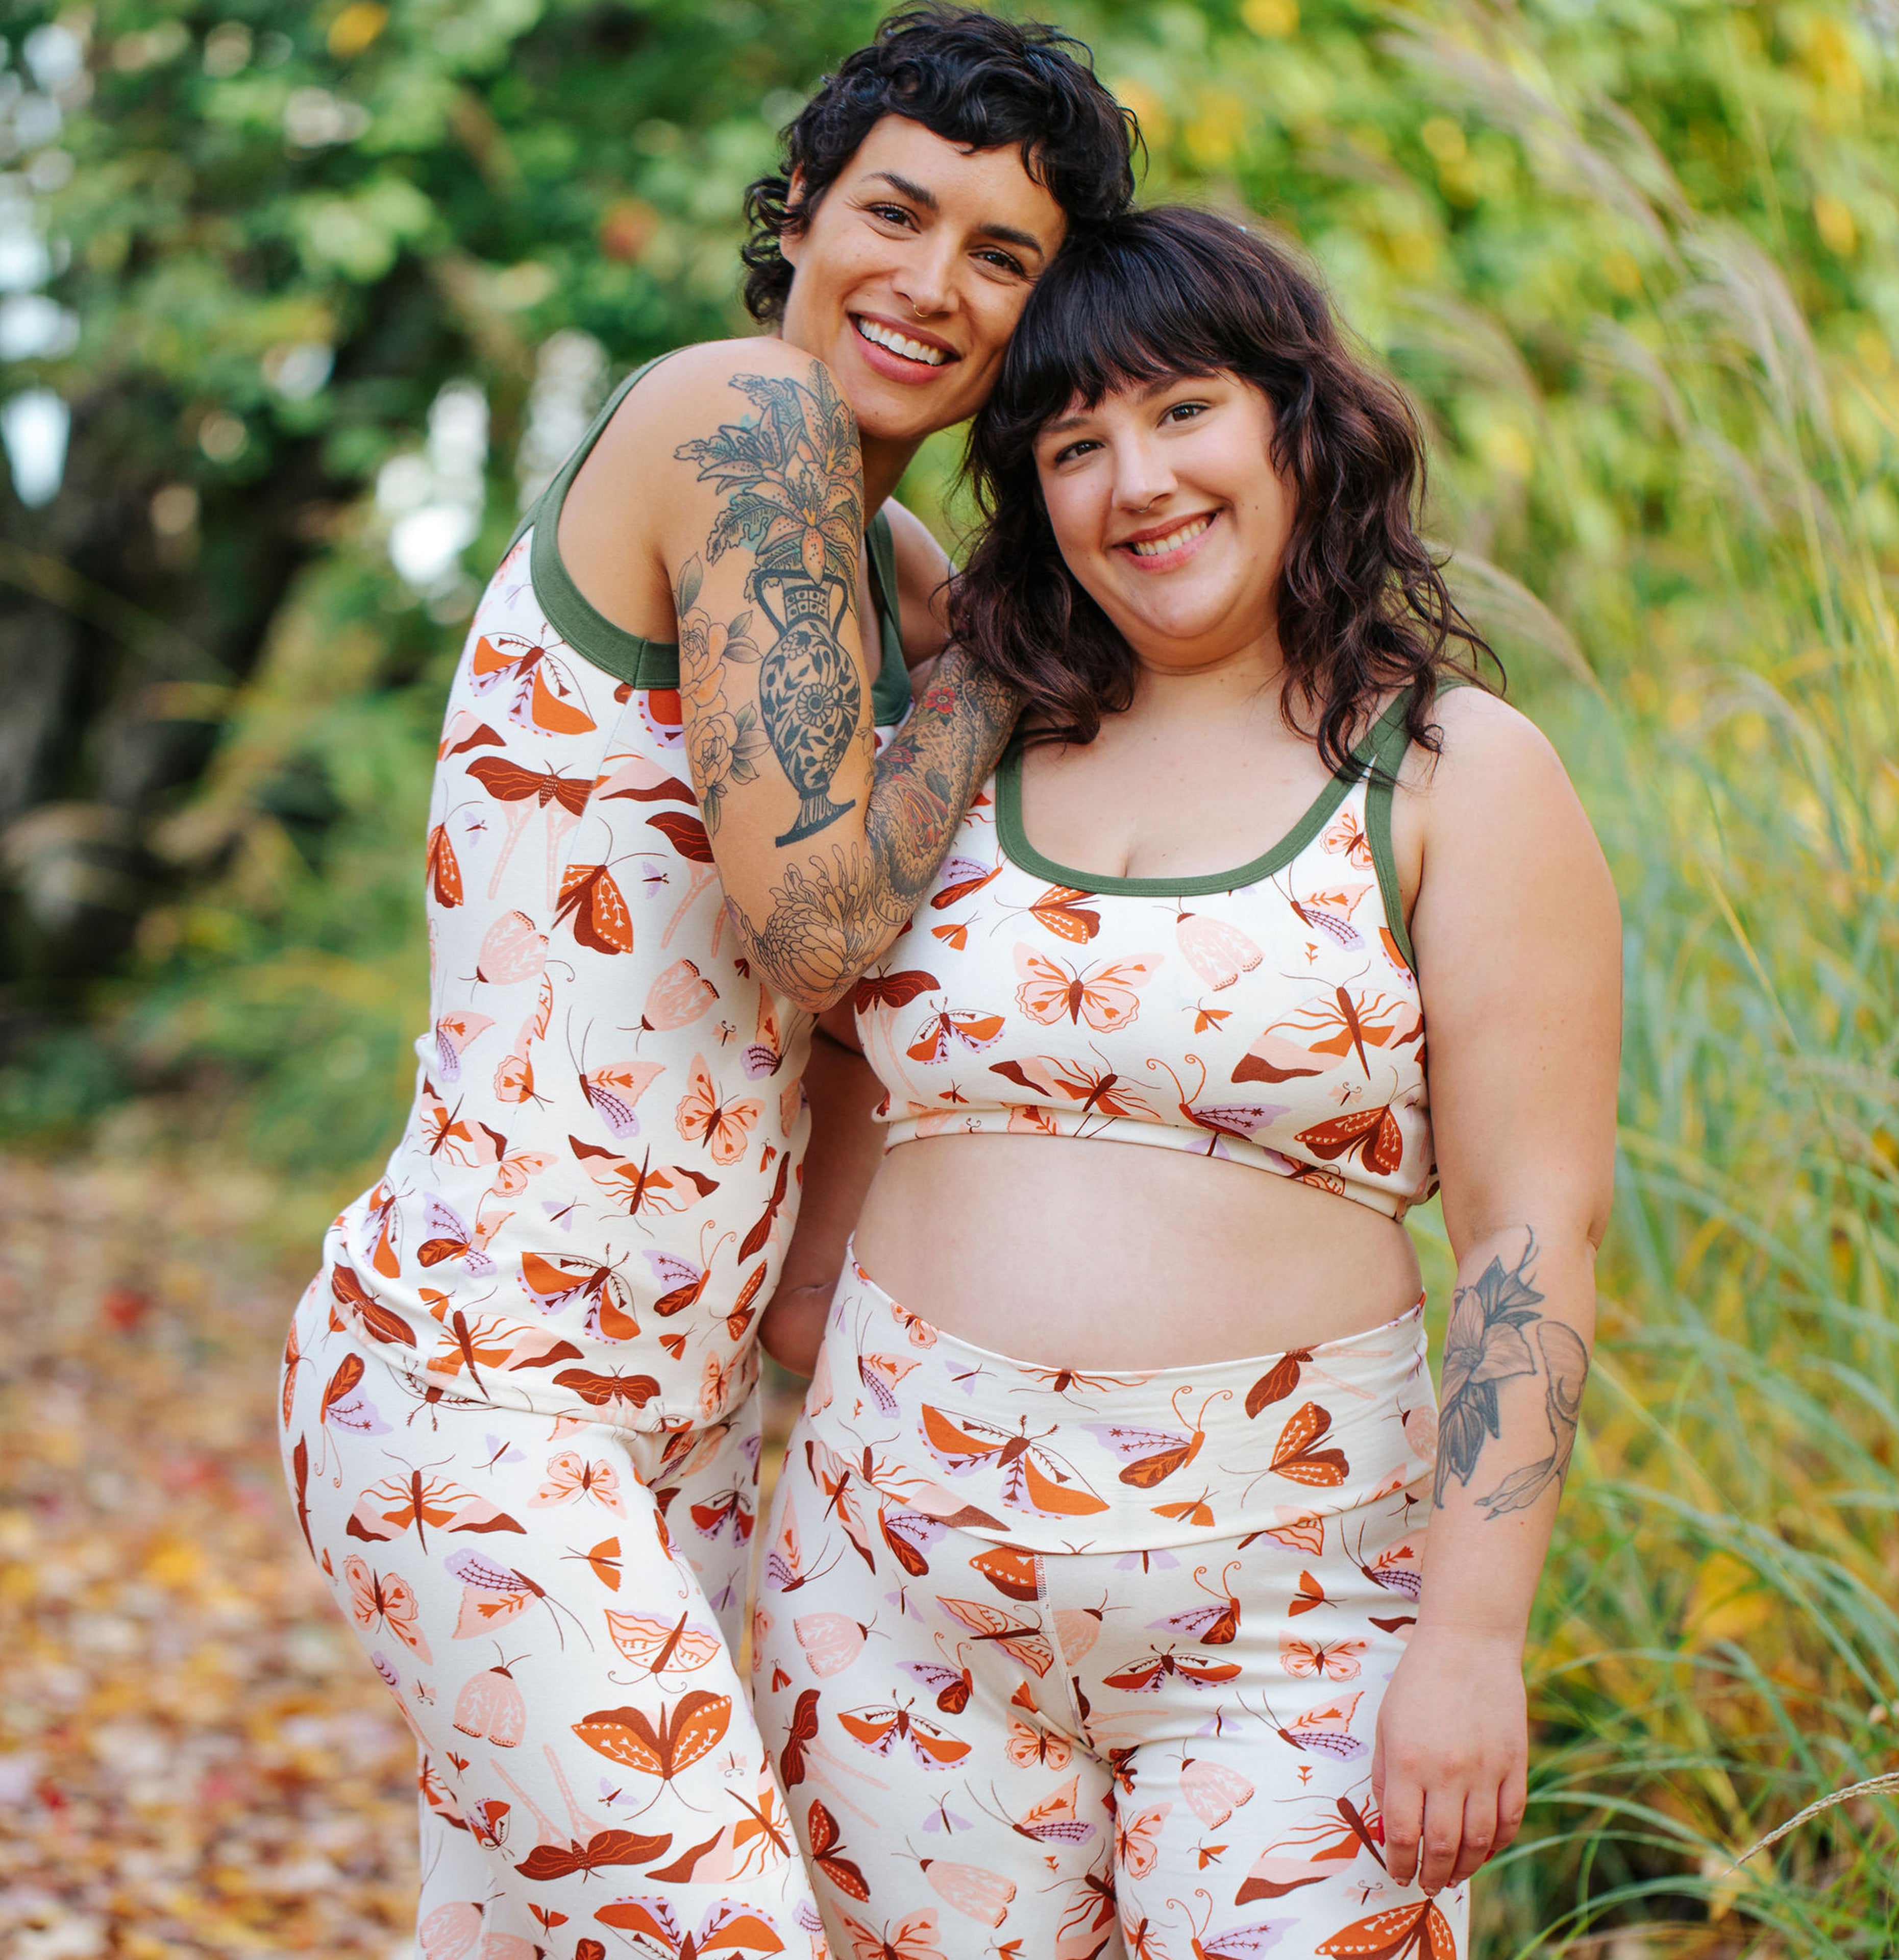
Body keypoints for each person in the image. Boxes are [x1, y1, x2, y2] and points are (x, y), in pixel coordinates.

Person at [277, 11, 1136, 1956]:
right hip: (476, 1393)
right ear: (802, 219)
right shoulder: (741, 421)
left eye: (1003, 257)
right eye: (893, 214)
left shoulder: (901, 576)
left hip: (675, 1431)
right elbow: (819, 925)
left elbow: (860, 1033)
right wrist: (1005, 661)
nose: (931, 284)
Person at [753, 205, 1621, 1960]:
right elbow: (840, 1020)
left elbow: (1533, 1241)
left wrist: (1467, 1646)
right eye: (1074, 445)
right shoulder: (971, 728)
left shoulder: (1450, 770)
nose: (1134, 483)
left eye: (1181, 413)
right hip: (890, 1601)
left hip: (1292, 1628)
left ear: (1300, 419)